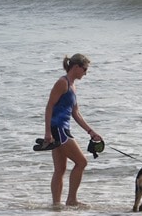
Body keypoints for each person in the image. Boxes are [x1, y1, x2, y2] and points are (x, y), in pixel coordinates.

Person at [44, 53, 102, 206]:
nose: (86, 73)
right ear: (76, 67)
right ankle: (71, 200)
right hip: (58, 130)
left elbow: (76, 113)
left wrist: (91, 132)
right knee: (81, 162)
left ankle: (56, 205)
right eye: (84, 69)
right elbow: (49, 106)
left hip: (63, 129)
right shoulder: (62, 83)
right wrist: (48, 132)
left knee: (60, 169)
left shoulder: (72, 86)